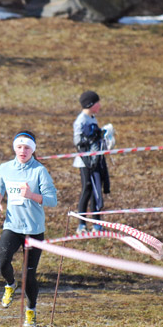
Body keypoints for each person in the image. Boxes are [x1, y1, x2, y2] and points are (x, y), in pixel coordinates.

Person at [0, 130, 58, 327]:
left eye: (27, 147)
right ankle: (10, 284)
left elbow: (52, 200)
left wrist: (32, 196)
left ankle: (31, 310)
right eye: (19, 146)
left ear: (33, 150)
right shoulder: (5, 168)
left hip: (33, 229)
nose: (23, 150)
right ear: (14, 148)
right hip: (12, 226)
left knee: (29, 274)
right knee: (2, 261)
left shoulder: (39, 171)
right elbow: (0, 186)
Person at [73, 90, 114, 234]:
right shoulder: (81, 120)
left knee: (96, 190)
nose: (100, 105)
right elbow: (78, 141)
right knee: (87, 189)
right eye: (98, 102)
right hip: (85, 162)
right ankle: (81, 225)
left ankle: (96, 223)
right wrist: (90, 140)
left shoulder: (92, 118)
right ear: (91, 104)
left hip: (95, 160)